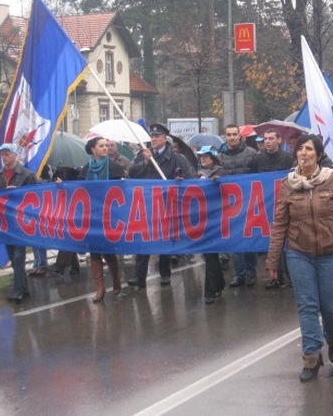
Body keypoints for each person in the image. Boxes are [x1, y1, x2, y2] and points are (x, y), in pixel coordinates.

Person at [266, 134, 333, 382]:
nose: (303, 153)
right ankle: (311, 356)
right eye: (300, 149)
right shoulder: (288, 184)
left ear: (318, 155)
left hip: (330, 254)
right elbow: (279, 224)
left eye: (309, 149)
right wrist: (273, 257)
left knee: (330, 306)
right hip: (298, 254)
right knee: (307, 306)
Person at [127, 123, 195, 288]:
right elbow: (132, 174)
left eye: (157, 136)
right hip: (147, 204)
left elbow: (190, 176)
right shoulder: (143, 155)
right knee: (144, 239)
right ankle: (139, 277)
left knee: (164, 239)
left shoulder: (177, 158)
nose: (154, 139)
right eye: (152, 136)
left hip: (166, 205)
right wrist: (144, 162)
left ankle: (165, 273)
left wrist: (180, 180)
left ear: (165, 139)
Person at [76, 136, 127, 302]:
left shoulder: (115, 168)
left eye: (106, 145)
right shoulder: (85, 170)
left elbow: (122, 192)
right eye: (101, 146)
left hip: (109, 216)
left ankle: (116, 280)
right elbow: (76, 189)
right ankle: (100, 289)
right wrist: (62, 185)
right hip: (91, 216)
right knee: (94, 252)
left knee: (108, 251)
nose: (105, 148)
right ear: (93, 149)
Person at [0, 143, 40, 303]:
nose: (4, 157)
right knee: (13, 256)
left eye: (7, 154)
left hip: (21, 222)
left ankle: (18, 290)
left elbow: (37, 196)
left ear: (15, 156)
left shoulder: (27, 175)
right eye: (2, 155)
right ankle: (24, 289)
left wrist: (16, 193)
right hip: (5, 222)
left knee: (18, 257)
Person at [251, 128, 295, 289]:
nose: (267, 141)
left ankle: (290, 276)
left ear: (279, 140)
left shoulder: (288, 159)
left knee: (286, 241)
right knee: (272, 242)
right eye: (265, 139)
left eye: (271, 138)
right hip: (265, 206)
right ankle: (276, 276)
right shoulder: (257, 159)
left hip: (284, 205)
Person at [217, 123, 258, 287]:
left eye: (235, 134)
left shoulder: (252, 154)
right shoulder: (220, 157)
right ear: (225, 136)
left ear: (240, 136)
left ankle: (251, 272)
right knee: (235, 241)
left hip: (248, 204)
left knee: (250, 240)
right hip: (230, 206)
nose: (232, 137)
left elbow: (259, 177)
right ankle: (239, 274)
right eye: (229, 135)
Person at [196, 146, 225, 303]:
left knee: (210, 253)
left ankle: (210, 291)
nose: (203, 159)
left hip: (217, 218)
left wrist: (218, 182)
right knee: (210, 254)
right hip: (202, 218)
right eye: (201, 156)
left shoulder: (221, 173)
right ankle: (218, 284)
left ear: (213, 158)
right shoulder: (196, 174)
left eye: (206, 156)